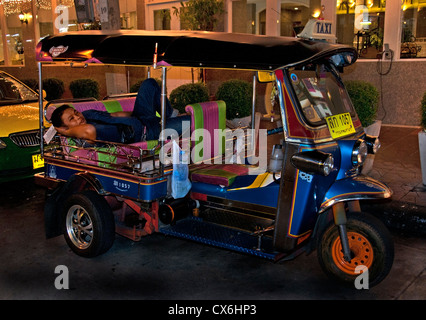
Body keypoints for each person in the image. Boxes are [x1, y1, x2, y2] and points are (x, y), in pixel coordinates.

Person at [51, 78, 190, 144]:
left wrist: (139, 113)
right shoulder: (83, 137)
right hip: (149, 133)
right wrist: (62, 131)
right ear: (65, 128)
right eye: (71, 119)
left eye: (76, 113)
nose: (78, 117)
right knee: (192, 121)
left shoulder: (87, 115)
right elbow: (88, 130)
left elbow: (115, 115)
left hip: (142, 119)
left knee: (149, 84)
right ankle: (169, 120)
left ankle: (169, 115)